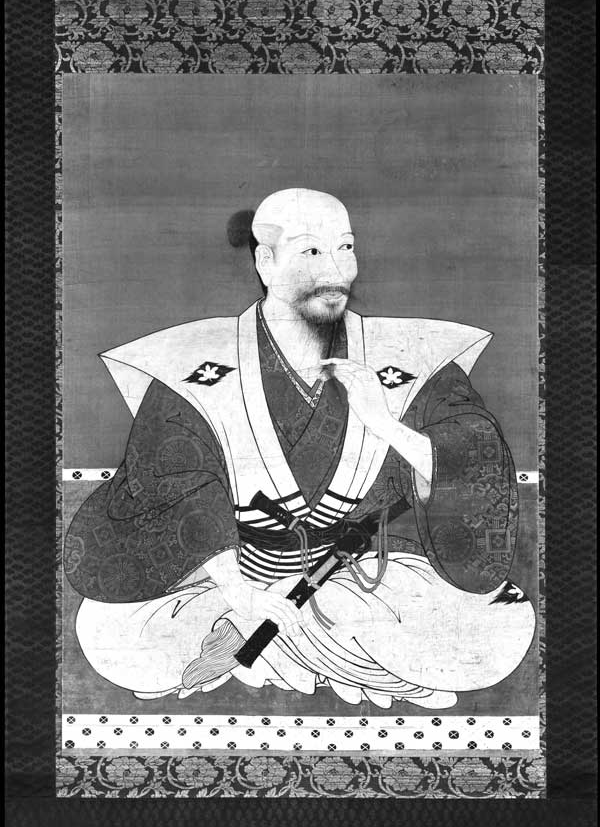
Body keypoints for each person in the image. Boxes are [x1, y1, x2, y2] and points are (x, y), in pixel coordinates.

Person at [65, 188, 535, 709]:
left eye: (346, 248)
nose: (335, 270)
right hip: (231, 576)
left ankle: (256, 648)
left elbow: (472, 459)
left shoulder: (407, 355)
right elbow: (169, 488)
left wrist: (384, 424)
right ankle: (334, 654)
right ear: (265, 261)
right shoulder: (191, 364)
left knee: (502, 631)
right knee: (105, 632)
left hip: (355, 575)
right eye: (312, 250)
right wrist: (243, 595)